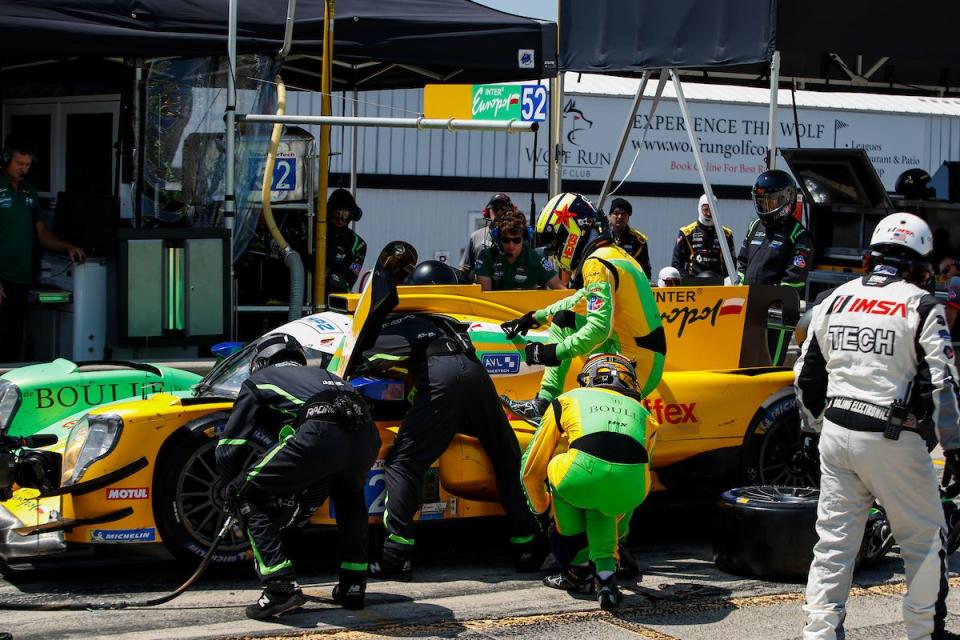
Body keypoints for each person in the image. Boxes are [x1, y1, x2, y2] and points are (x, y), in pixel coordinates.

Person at [795, 212, 960, 640]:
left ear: (872, 257)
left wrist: (817, 428)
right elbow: (943, 384)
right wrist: (954, 449)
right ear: (918, 265)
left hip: (835, 432)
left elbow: (805, 378)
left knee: (833, 544)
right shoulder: (922, 305)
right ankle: (925, 633)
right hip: (891, 435)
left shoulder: (833, 299)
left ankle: (820, 633)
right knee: (925, 541)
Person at [360, 260, 541, 578]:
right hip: (476, 374)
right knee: (507, 458)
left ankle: (396, 553)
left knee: (404, 462)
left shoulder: (407, 320)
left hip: (442, 380)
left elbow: (370, 358)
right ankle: (528, 546)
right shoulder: (450, 321)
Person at [215, 334, 380, 620]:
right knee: (350, 500)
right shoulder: (326, 374)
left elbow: (229, 448)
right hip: (366, 436)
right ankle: (353, 586)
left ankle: (280, 587)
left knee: (244, 494)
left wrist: (231, 488)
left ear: (261, 361)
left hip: (321, 432)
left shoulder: (260, 378)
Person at [501, 193, 665, 421]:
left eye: (556, 242)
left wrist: (550, 353)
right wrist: (535, 317)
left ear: (573, 233)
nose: (555, 251)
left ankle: (548, 408)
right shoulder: (611, 254)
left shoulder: (596, 263)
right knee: (563, 319)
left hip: (635, 365)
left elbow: (599, 328)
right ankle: (544, 402)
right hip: (638, 352)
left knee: (566, 323)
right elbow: (578, 301)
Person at [521, 354, 656, 610]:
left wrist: (540, 510)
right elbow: (633, 476)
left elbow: (530, 469)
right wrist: (620, 535)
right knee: (606, 502)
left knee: (559, 466)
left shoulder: (567, 399)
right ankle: (606, 578)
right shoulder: (646, 415)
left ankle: (577, 570)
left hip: (578, 482)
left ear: (588, 378)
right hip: (631, 491)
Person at [0, 136, 85, 362]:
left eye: (27, 165)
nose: (23, 169)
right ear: (6, 159)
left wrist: (68, 246)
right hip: (2, 277)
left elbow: (42, 234)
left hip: (20, 278)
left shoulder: (29, 192)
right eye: (19, 164)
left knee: (13, 339)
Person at [737, 170, 814, 365]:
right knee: (743, 364)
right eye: (761, 201)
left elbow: (794, 279)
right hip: (747, 309)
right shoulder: (754, 226)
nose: (765, 206)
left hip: (777, 315)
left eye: (770, 201)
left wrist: (767, 301)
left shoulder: (799, 235)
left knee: (768, 366)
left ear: (785, 200)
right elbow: (742, 263)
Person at [474, 209, 565, 291]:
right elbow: (485, 296)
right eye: (505, 240)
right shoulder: (486, 257)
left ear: (525, 238)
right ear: (498, 238)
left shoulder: (536, 259)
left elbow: (561, 290)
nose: (511, 245)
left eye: (516, 240)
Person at [672, 194, 736, 277]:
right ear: (699, 208)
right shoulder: (687, 232)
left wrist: (727, 280)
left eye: (712, 210)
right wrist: (688, 281)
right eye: (705, 209)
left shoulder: (726, 234)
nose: (709, 214)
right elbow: (677, 263)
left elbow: (732, 263)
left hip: (719, 284)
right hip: (694, 284)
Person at [459, 193, 515, 282]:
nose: (499, 212)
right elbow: (464, 271)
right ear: (487, 211)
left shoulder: (519, 237)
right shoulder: (475, 237)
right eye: (495, 208)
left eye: (503, 208)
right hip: (482, 293)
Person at [326, 188, 367, 294]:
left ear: (351, 215)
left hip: (334, 300)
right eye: (337, 214)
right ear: (329, 212)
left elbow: (349, 279)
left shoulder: (358, 244)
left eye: (345, 215)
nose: (340, 220)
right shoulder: (313, 232)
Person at [606, 197, 652, 279]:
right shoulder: (599, 235)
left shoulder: (638, 241)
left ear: (628, 218)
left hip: (628, 282)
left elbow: (645, 271)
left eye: (623, 214)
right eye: (616, 213)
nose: (619, 217)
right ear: (609, 216)